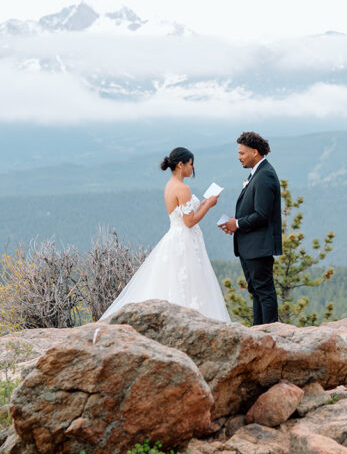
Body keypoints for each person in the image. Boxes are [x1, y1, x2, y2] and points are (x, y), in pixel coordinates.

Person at [100, 146, 231, 322]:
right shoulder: (183, 188)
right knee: (191, 281)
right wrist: (209, 205)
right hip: (186, 240)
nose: (192, 168)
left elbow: (183, 214)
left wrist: (203, 203)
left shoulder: (170, 185)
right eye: (190, 164)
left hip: (175, 236)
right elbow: (189, 221)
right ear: (180, 165)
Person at [219, 131, 281, 324]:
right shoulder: (257, 173)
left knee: (264, 292)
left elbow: (262, 214)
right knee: (256, 291)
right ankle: (258, 330)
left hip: (259, 247)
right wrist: (235, 222)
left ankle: (270, 331)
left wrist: (237, 224)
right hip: (251, 246)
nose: (239, 157)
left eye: (242, 153)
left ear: (255, 152)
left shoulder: (265, 175)